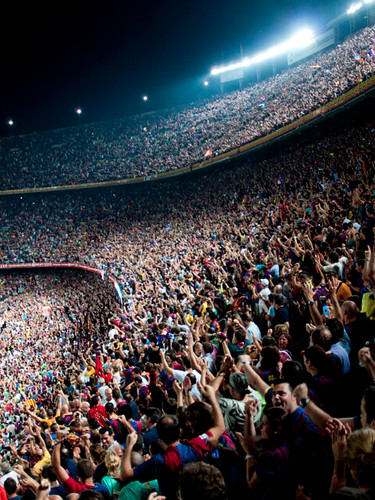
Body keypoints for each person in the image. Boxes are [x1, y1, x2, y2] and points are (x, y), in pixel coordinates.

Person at [120, 383, 225, 499]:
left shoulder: (159, 460)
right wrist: (213, 399)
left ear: (160, 437)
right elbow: (220, 427)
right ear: (180, 432)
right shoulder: (197, 445)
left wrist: (129, 446)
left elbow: (125, 475)